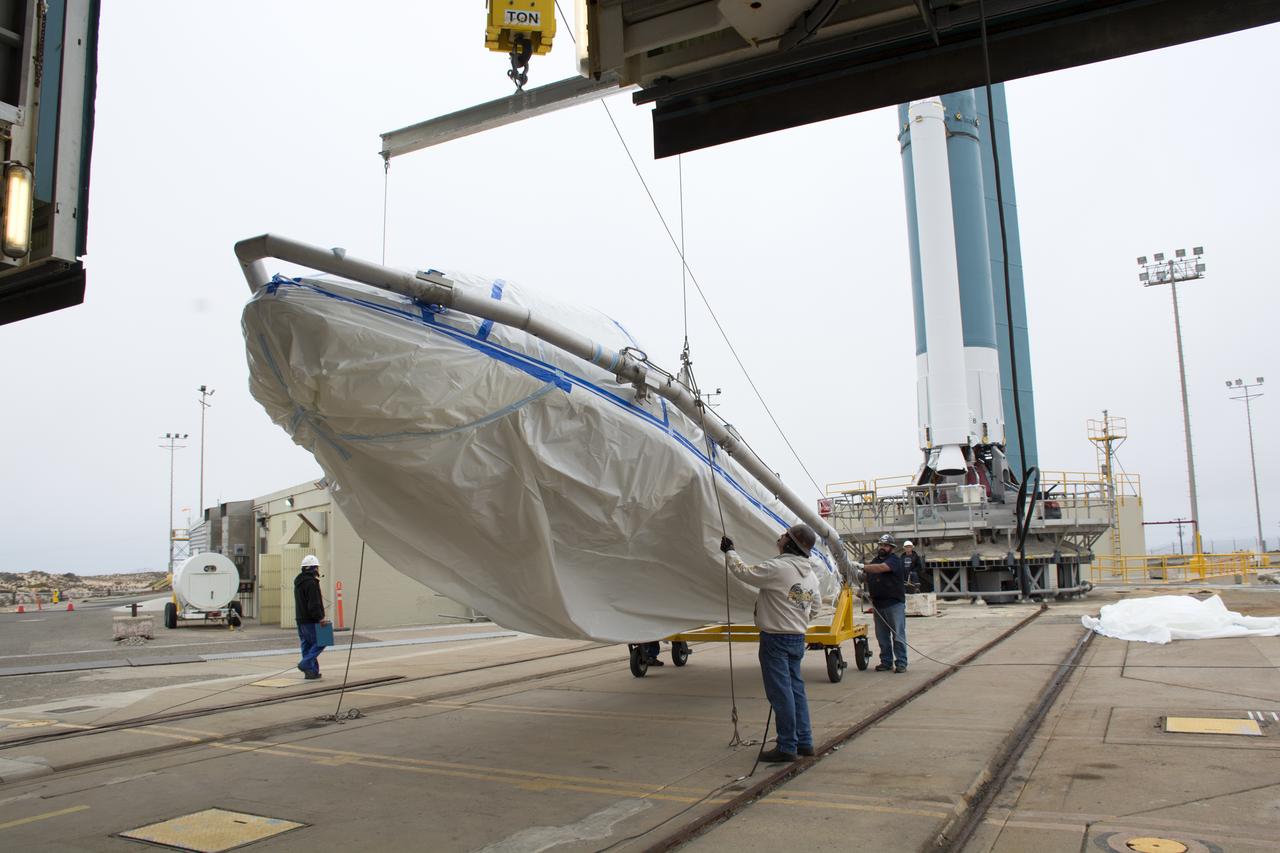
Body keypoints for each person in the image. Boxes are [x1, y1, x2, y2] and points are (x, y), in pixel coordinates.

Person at [720, 524, 822, 763]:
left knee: (781, 693)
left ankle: (787, 745)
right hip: (797, 637)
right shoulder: (810, 575)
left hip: (775, 638)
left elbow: (744, 572)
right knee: (796, 690)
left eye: (785, 535)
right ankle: (804, 741)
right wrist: (796, 617)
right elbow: (814, 607)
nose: (780, 537)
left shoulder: (779, 568)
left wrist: (730, 552)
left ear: (791, 543)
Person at [864, 533, 908, 672]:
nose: (883, 547)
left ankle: (901, 663)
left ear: (892, 548)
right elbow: (867, 575)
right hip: (878, 605)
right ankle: (886, 662)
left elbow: (881, 568)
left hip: (894, 604)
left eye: (886, 545)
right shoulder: (875, 561)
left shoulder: (894, 560)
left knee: (898, 635)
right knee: (882, 636)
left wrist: (861, 566)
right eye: (881, 545)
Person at [294, 554, 326, 680]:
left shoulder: (298, 582)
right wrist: (320, 617)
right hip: (311, 620)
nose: (318, 570)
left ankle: (311, 672)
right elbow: (314, 604)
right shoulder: (311, 583)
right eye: (317, 567)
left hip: (300, 620)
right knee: (322, 641)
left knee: (306, 645)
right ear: (313, 568)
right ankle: (305, 663)